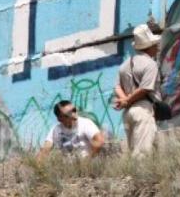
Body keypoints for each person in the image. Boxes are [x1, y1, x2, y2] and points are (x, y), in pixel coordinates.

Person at [113, 24, 162, 155]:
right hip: (143, 110)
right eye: (155, 44)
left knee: (134, 151)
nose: (157, 47)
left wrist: (124, 100)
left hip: (127, 113)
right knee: (142, 154)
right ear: (149, 46)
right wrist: (127, 100)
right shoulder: (150, 64)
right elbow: (145, 89)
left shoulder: (124, 65)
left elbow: (117, 86)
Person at [39, 100, 104, 157]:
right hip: (66, 166)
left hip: (85, 163)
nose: (73, 114)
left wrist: (88, 160)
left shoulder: (85, 123)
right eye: (68, 114)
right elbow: (45, 149)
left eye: (74, 110)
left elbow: (99, 140)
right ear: (59, 119)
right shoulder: (55, 129)